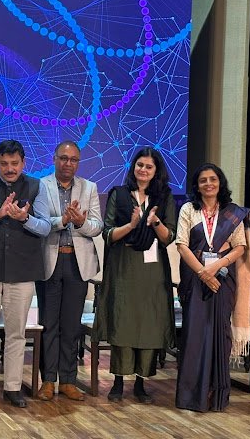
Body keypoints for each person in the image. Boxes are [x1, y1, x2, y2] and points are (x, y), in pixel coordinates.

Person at [93, 148, 177, 403]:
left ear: (156, 171)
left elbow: (169, 237)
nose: (143, 170)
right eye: (140, 165)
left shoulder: (164, 197)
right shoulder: (118, 194)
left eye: (149, 166)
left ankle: (141, 383)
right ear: (133, 167)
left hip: (153, 270)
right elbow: (107, 233)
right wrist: (131, 225)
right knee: (123, 320)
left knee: (148, 322)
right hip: (123, 266)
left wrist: (154, 222)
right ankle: (118, 381)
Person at [0, 140, 50, 408]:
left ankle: (13, 387)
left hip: (23, 270)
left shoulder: (37, 186)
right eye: (4, 164)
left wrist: (23, 219)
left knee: (16, 333)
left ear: (23, 163)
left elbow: (45, 227)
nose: (9, 168)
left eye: (14, 163)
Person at [175, 163, 250, 412]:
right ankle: (191, 396)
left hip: (223, 278)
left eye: (213, 179)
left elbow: (240, 246)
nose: (208, 184)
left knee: (220, 333)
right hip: (194, 277)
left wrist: (216, 266)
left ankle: (215, 395)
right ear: (197, 186)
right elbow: (181, 244)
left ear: (220, 183)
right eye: (203, 180)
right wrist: (202, 272)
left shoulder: (232, 212)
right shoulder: (188, 209)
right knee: (194, 335)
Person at [38, 141, 102, 401]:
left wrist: (81, 221)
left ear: (78, 162)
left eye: (73, 159)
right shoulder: (41, 185)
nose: (68, 163)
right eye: (63, 158)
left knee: (71, 325)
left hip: (77, 263)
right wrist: (62, 220)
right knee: (49, 324)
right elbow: (40, 222)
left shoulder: (90, 187)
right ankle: (48, 380)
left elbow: (97, 226)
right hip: (50, 261)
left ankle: (68, 380)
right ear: (54, 159)